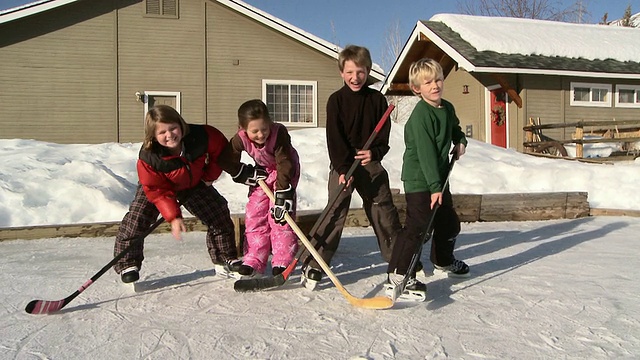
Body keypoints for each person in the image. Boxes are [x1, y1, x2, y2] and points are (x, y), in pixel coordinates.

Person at [113, 104, 266, 283]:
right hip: (159, 187)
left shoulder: (201, 136)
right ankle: (127, 263)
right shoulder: (150, 157)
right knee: (138, 218)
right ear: (153, 135)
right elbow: (158, 191)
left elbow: (222, 152)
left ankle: (225, 257)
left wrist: (209, 176)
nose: (169, 135)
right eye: (162, 132)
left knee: (218, 211)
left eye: (173, 128)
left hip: (193, 182)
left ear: (181, 124)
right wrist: (173, 216)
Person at [301, 45, 402, 290]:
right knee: (334, 212)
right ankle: (316, 264)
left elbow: (383, 134)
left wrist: (374, 152)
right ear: (341, 72)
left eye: (360, 71)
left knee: (383, 209)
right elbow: (334, 139)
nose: (355, 77)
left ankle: (399, 261)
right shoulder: (336, 101)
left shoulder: (377, 99)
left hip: (369, 163)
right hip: (343, 164)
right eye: (349, 72)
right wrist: (344, 168)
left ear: (368, 71)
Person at [385, 58, 469, 301]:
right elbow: (426, 154)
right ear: (416, 89)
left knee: (449, 224)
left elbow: (455, 129)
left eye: (438, 79)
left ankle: (442, 261)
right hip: (420, 180)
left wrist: (461, 141)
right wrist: (434, 187)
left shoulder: (447, 108)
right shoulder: (422, 115)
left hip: (438, 179)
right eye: (428, 82)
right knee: (417, 228)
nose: (435, 85)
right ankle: (400, 274)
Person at [224, 99, 300, 277]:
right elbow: (226, 160)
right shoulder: (240, 138)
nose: (261, 135)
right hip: (264, 172)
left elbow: (284, 162)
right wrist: (244, 173)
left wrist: (283, 195)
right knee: (254, 213)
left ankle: (283, 260)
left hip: (286, 171)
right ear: (243, 129)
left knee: (279, 215)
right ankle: (254, 259)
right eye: (255, 131)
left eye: (264, 129)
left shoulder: (278, 133)